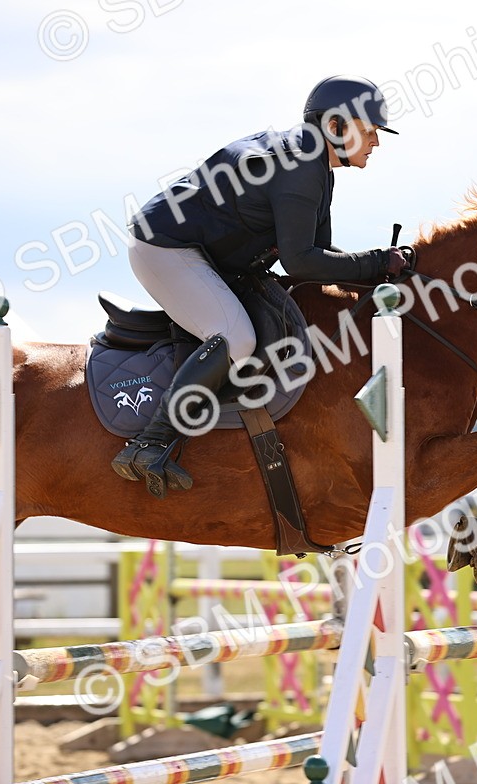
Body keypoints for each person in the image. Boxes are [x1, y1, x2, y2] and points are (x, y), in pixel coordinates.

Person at [113, 75, 410, 498]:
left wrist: (380, 270)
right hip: (164, 248)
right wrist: (378, 262)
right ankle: (150, 442)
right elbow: (300, 262)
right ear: (335, 126)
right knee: (237, 339)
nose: (376, 142)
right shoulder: (301, 165)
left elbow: (318, 258)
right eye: (369, 130)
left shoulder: (316, 165)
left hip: (205, 253)